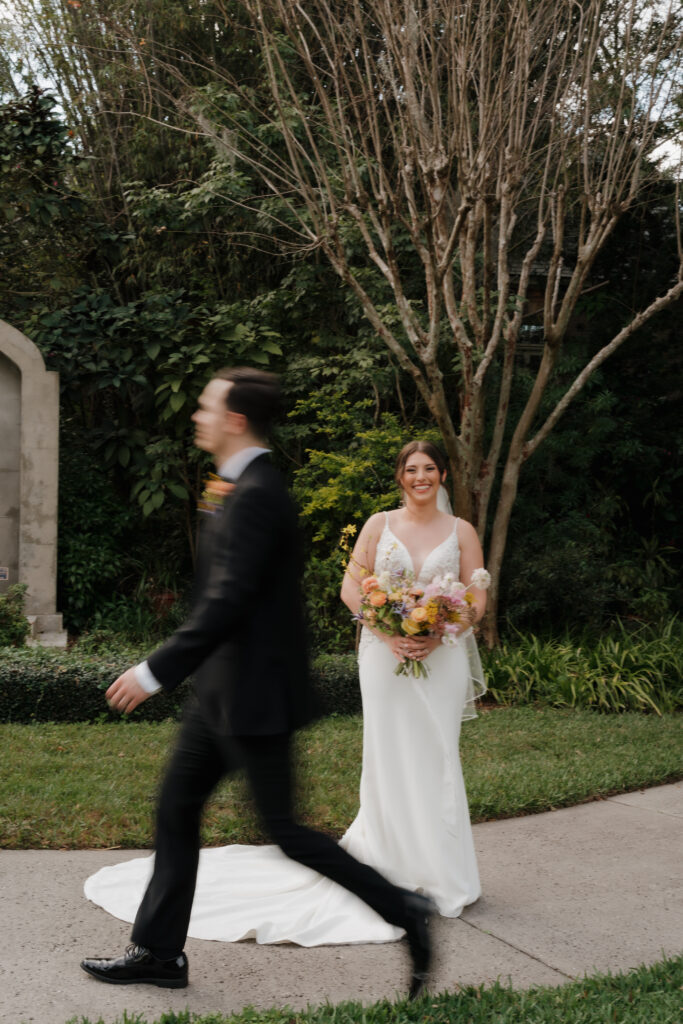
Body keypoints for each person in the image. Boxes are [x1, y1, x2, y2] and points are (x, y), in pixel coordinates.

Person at [80, 369, 433, 999]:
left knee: (286, 832)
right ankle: (159, 954)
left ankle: (406, 911)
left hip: (255, 698)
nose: (196, 415)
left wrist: (153, 670)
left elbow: (228, 602)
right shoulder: (237, 485)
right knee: (176, 809)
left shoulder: (260, 493)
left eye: (206, 405)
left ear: (236, 420)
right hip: (220, 693)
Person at [339, 440, 487, 916]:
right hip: (383, 656)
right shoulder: (379, 525)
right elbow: (350, 586)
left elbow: (477, 599)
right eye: (411, 469)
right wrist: (387, 637)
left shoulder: (462, 531)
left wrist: (441, 633)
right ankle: (384, 863)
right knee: (386, 751)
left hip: (441, 657)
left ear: (443, 474)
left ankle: (441, 868)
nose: (420, 476)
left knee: (437, 752)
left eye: (429, 468)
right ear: (400, 476)